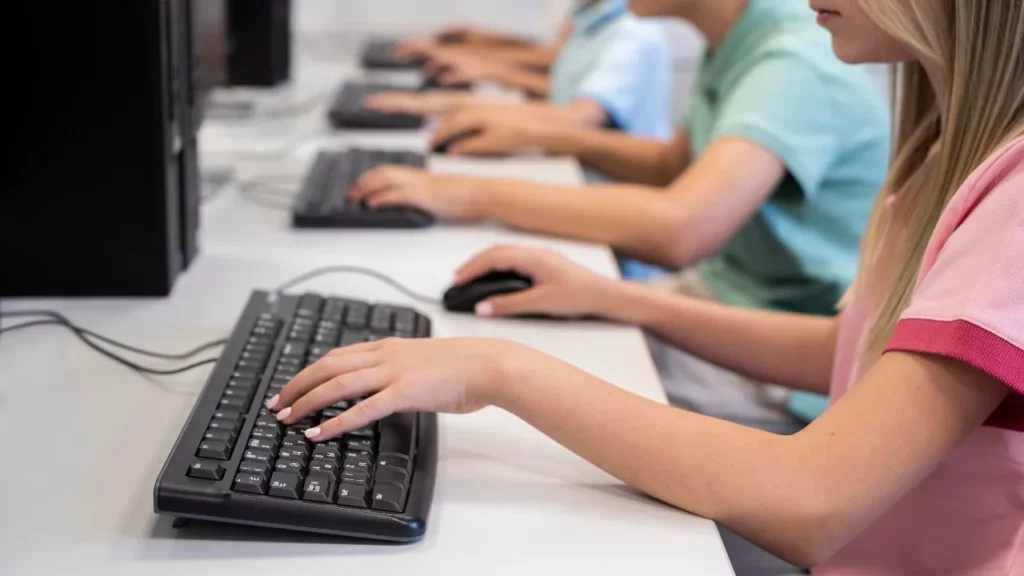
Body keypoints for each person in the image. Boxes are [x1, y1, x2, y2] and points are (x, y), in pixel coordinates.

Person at [269, 0, 1024, 571]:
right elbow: (850, 345)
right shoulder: (941, 144)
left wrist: (497, 368)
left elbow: (814, 500)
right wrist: (616, 298)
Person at [350, 0, 892, 426]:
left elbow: (682, 229)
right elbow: (676, 162)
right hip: (727, 293)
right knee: (510, 345)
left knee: (520, 387)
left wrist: (468, 194)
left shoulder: (793, 58)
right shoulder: (743, 38)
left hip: (782, 354)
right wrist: (543, 134)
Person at [367, 1, 674, 149]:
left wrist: (448, 103)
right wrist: (482, 52)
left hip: (611, 218)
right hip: (573, 175)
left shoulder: (634, 33)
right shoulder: (589, 15)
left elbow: (577, 115)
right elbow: (560, 72)